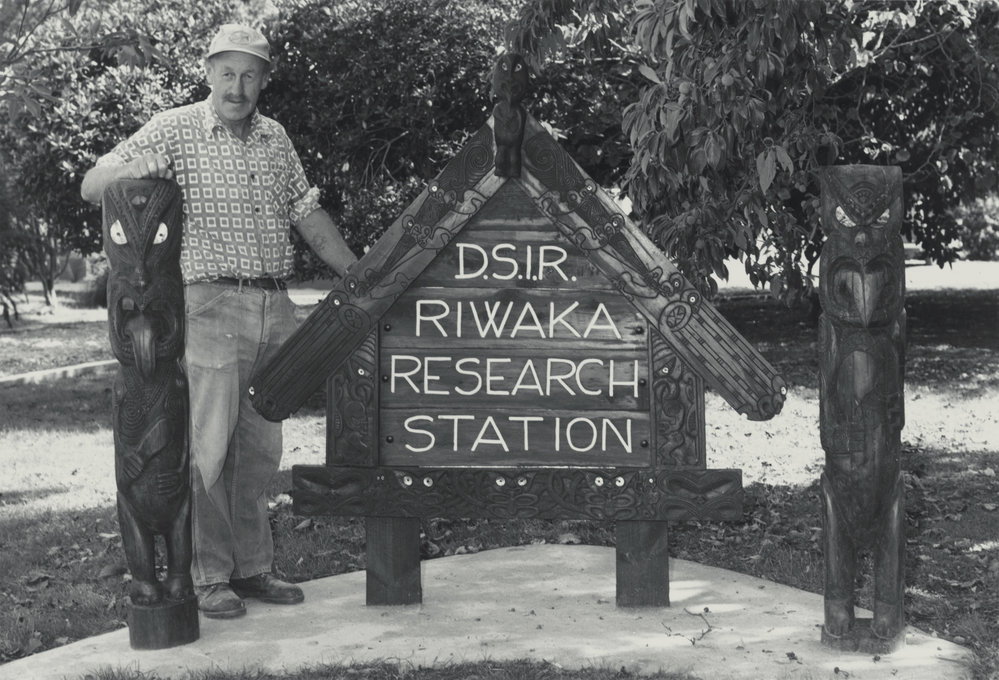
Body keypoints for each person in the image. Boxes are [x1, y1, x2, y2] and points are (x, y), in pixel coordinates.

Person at [81, 24, 357, 619]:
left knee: (259, 450)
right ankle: (208, 577)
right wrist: (138, 167)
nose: (238, 86)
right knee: (208, 445)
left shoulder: (275, 137)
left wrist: (359, 276)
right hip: (207, 305)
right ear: (208, 73)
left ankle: (254, 569)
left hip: (274, 306)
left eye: (250, 74)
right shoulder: (175, 128)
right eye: (227, 72)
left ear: (263, 80)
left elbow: (306, 213)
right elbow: (92, 183)